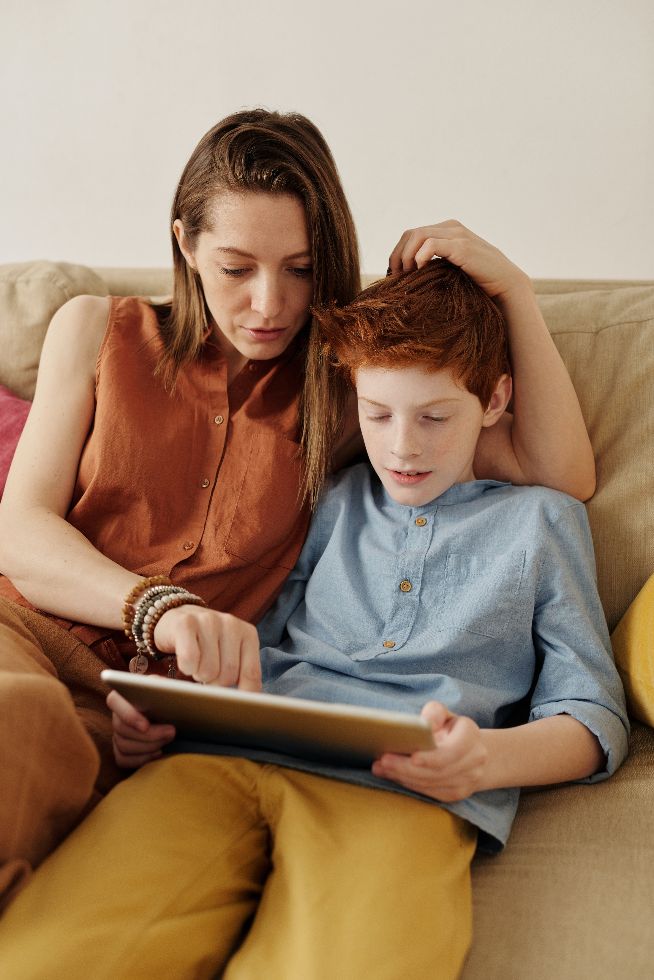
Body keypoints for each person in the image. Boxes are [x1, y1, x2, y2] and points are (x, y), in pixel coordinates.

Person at [0, 107, 595, 909]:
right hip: (25, 639)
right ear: (185, 245)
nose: (268, 304)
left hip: (150, 712)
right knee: (15, 717)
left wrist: (512, 288)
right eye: (236, 268)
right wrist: (160, 609)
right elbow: (18, 532)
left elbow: (554, 474)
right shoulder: (96, 329)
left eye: (302, 268)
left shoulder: (358, 390)